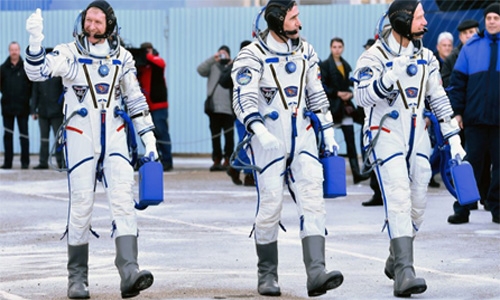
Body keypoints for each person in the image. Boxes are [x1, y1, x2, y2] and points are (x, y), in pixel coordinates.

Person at [24, 1, 157, 298]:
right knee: (82, 205)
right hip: (80, 136)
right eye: (88, 20)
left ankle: (129, 271)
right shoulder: (70, 53)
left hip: (116, 136)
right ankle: (77, 279)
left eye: (98, 21)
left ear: (109, 25)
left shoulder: (122, 57)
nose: (92, 26)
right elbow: (38, 72)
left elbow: (135, 100)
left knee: (123, 200)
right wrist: (35, 42)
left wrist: (149, 140)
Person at [352, 0, 466, 297]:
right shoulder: (373, 56)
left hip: (417, 133)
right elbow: (361, 97)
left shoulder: (427, 57)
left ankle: (396, 256)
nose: (425, 21)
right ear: (402, 20)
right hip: (384, 133)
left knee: (418, 201)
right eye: (419, 16)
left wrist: (453, 138)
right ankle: (405, 272)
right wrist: (389, 76)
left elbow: (439, 99)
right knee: (399, 196)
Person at [231, 0, 343, 297]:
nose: (299, 23)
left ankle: (316, 272)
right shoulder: (251, 55)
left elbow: (317, 95)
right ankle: (267, 274)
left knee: (313, 201)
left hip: (303, 139)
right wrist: (259, 130)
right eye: (294, 18)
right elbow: (243, 99)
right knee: (271, 207)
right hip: (268, 142)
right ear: (278, 20)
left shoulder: (306, 51)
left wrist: (328, 133)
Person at [447, 3, 499, 225]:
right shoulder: (471, 47)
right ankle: (463, 208)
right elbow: (457, 83)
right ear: (484, 20)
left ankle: (497, 209)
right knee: (470, 165)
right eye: (489, 18)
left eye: (496, 18)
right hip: (475, 119)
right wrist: (457, 112)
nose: (492, 21)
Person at [320, 37, 368, 184]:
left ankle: (356, 173)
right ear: (330, 48)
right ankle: (322, 174)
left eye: (339, 47)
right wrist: (337, 94)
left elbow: (349, 84)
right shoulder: (325, 65)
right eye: (334, 47)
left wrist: (351, 93)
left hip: (345, 107)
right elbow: (323, 86)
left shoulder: (346, 66)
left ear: (343, 48)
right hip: (331, 108)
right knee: (325, 140)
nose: (337, 50)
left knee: (350, 141)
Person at [219, 40, 255, 186]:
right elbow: (223, 81)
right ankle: (237, 168)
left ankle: (248, 175)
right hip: (240, 111)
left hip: (254, 109)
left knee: (250, 141)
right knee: (247, 142)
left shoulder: (256, 65)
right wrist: (234, 64)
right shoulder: (236, 66)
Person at [197, 45, 235, 172]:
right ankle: (217, 159)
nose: (222, 56)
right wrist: (213, 58)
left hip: (229, 108)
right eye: (220, 54)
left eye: (225, 54)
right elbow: (200, 70)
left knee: (229, 136)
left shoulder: (232, 67)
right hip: (214, 108)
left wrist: (231, 62)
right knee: (215, 136)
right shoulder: (213, 66)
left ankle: (228, 159)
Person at [137, 42, 173, 171]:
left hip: (158, 105)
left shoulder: (157, 61)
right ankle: (153, 157)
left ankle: (167, 160)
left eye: (148, 50)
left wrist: (146, 55)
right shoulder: (140, 66)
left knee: (161, 132)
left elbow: (161, 64)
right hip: (145, 106)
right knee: (147, 134)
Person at [30, 48, 65, 170]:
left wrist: (63, 109)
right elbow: (35, 93)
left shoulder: (59, 75)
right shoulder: (40, 75)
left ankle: (61, 162)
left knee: (59, 139)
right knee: (43, 139)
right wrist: (33, 110)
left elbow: (64, 93)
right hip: (43, 112)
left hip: (57, 113)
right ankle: (43, 162)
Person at [0, 41, 32, 169]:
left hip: (23, 108)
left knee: (24, 135)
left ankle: (25, 163)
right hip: (7, 108)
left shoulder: (26, 68)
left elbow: (31, 87)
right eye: (12, 50)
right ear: (9, 51)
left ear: (19, 51)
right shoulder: (2, 69)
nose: (14, 52)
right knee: (8, 136)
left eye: (16, 49)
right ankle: (8, 163)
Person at [360, 38, 384, 206]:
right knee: (373, 157)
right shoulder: (364, 64)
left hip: (384, 120)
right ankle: (377, 192)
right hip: (370, 119)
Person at [441, 19, 479, 88]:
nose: (468, 36)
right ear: (460, 37)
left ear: (477, 34)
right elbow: (445, 83)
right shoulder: (451, 58)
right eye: (465, 33)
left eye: (471, 32)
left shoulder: (486, 53)